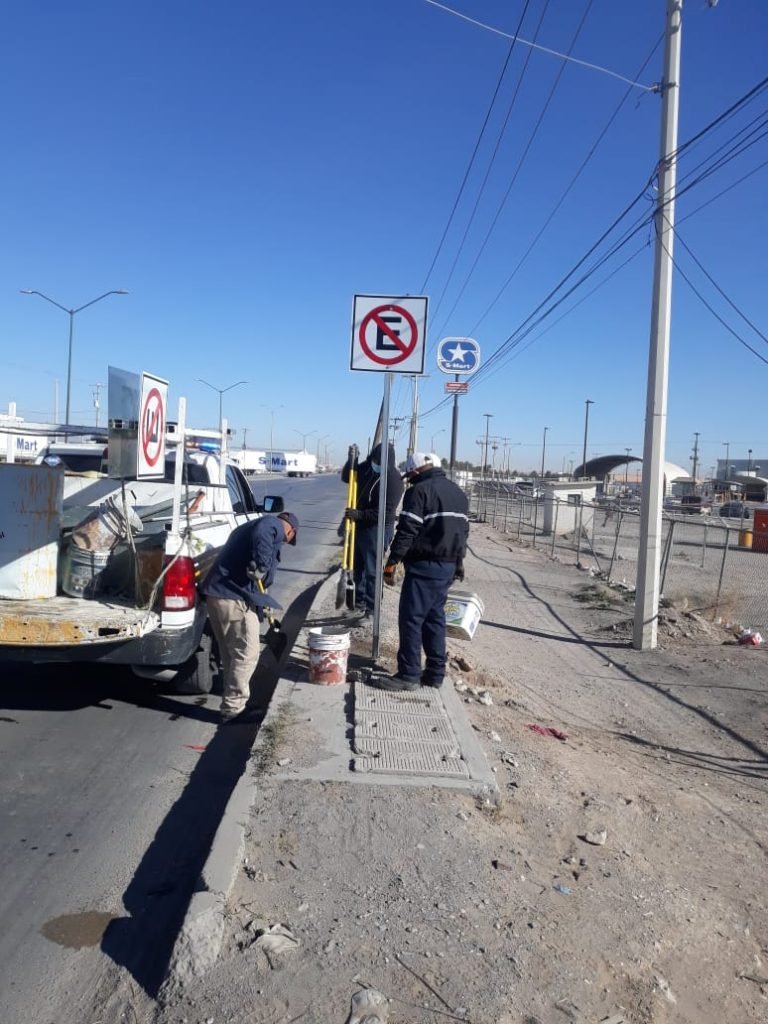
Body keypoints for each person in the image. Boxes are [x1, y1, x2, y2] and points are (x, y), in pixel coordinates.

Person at [378, 452, 469, 691]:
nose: (410, 480)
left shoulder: (419, 492)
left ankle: (408, 675)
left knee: (411, 619)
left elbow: (407, 530)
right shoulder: (458, 493)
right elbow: (463, 532)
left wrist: (392, 562)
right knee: (434, 620)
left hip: (424, 567)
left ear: (416, 471)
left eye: (410, 475)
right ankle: (435, 674)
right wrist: (459, 561)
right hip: (448, 567)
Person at [200, 511, 299, 721]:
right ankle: (234, 709)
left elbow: (255, 579)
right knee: (248, 653)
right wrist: (263, 565)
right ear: (290, 531)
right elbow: (265, 532)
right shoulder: (271, 524)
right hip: (233, 599)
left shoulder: (248, 528)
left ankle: (231, 702)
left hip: (217, 596)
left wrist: (263, 605)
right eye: (288, 540)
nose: (284, 543)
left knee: (231, 654)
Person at [341, 442, 403, 617]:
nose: (376, 464)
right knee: (358, 567)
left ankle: (372, 610)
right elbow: (347, 477)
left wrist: (360, 514)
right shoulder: (368, 467)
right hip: (360, 526)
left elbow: (385, 512)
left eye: (379, 462)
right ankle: (359, 603)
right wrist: (351, 461)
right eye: (374, 460)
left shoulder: (393, 481)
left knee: (372, 571)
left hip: (378, 528)